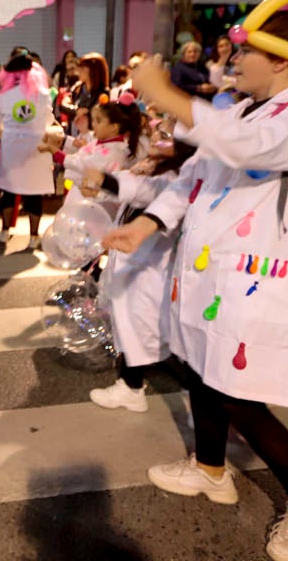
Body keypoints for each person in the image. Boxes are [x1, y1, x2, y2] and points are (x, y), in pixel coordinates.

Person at [105, 12, 288, 561]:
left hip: (255, 279)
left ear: (281, 59)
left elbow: (251, 148)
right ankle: (211, 468)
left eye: (244, 52)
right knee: (201, 369)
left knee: (240, 394)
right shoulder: (241, 110)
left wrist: (168, 95)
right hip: (208, 272)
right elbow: (194, 179)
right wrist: (147, 224)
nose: (233, 61)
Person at [81, 139, 197, 411]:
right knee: (143, 331)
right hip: (137, 268)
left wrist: (105, 179)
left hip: (147, 271)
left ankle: (132, 388)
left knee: (140, 330)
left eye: (168, 133)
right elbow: (136, 188)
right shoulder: (164, 170)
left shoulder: (177, 177)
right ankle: (138, 385)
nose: (158, 136)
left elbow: (145, 191)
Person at [0, 51, 54, 249]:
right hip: (37, 148)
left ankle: (5, 231)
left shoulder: (6, 96)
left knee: (9, 190)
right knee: (34, 193)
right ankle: (34, 237)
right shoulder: (43, 94)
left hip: (12, 149)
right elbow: (49, 119)